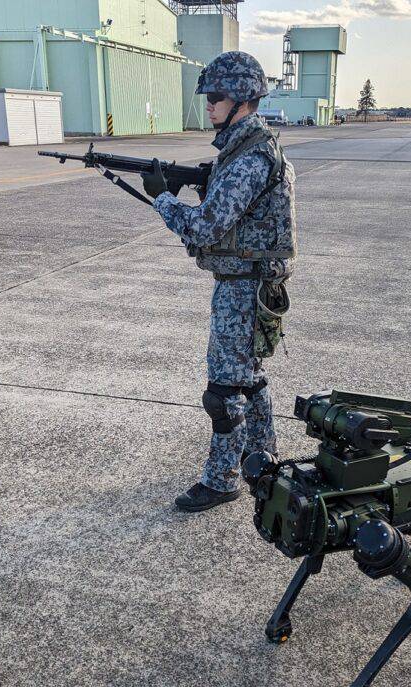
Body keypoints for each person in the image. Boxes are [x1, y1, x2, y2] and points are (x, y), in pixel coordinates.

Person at [141, 51, 297, 512]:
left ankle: (222, 478)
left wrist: (164, 199)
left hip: (244, 288)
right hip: (248, 283)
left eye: (215, 97)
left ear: (242, 99)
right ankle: (262, 457)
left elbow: (206, 228)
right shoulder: (247, 149)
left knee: (225, 390)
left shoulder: (250, 157)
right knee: (249, 379)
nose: (208, 106)